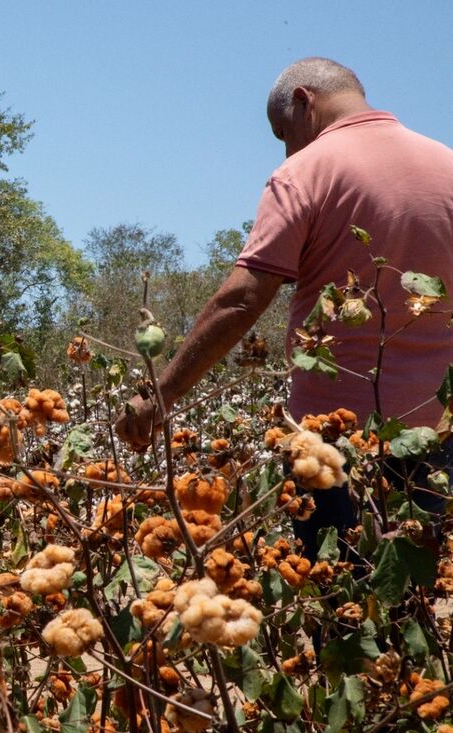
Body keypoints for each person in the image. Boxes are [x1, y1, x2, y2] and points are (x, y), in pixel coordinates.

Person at [116, 57, 453, 558]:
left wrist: (161, 395)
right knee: (416, 605)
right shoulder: (445, 163)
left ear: (302, 102)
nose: (287, 146)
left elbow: (241, 300)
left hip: (332, 445)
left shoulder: (305, 171)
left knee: (338, 604)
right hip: (437, 440)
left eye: (282, 133)